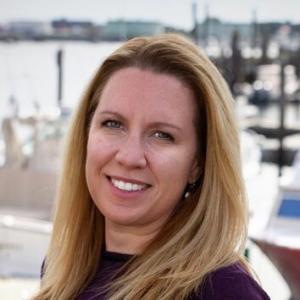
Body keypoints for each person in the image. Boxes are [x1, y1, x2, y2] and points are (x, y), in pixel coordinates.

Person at [33, 34, 270, 300]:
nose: (130, 156)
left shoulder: (222, 291)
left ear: (198, 164)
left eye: (162, 135)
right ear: (85, 133)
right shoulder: (63, 269)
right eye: (113, 124)